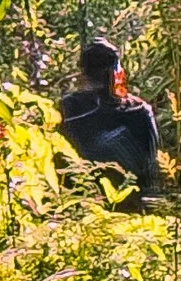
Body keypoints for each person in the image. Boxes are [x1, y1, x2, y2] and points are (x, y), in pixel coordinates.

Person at [58, 37, 162, 206]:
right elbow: (151, 173)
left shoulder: (68, 108)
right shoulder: (140, 111)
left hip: (82, 206)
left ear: (83, 72)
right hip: (128, 206)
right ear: (118, 71)